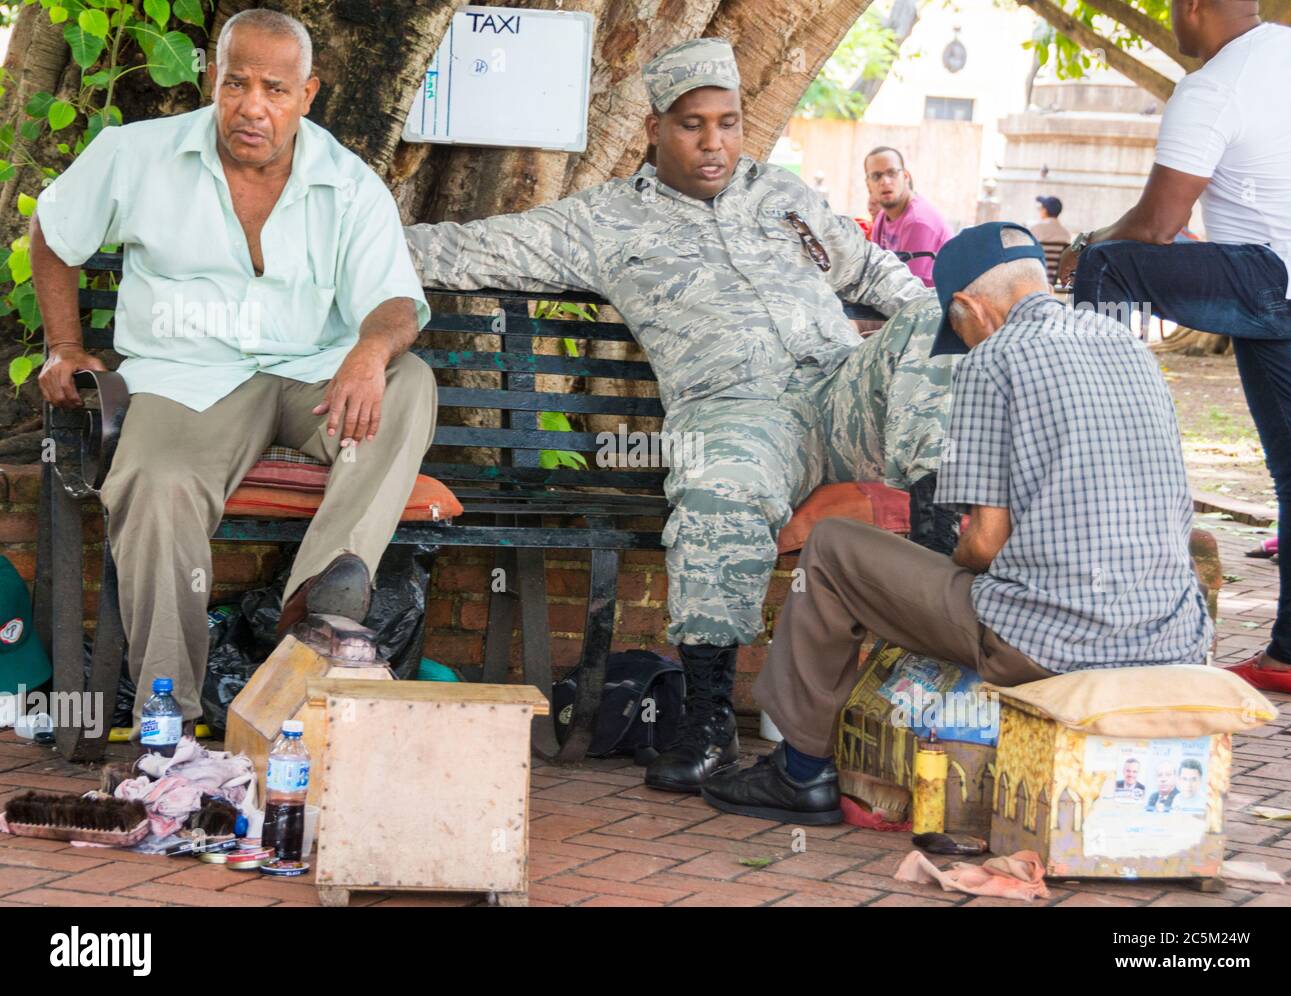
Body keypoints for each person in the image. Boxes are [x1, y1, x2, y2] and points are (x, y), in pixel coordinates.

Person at [405, 38, 960, 794]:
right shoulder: (607, 221)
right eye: (693, 124)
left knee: (939, 316)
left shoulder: (784, 195)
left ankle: (943, 551)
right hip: (739, 415)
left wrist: (934, 328)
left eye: (729, 123)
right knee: (716, 488)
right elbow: (470, 250)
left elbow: (871, 272)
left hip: (842, 390)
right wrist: (332, 240)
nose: (714, 143)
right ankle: (705, 723)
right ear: (655, 129)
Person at [700, 224, 1213, 825]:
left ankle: (802, 771)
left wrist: (964, 558)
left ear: (969, 307)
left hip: (1050, 642)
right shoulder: (1126, 346)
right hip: (1171, 633)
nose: (962, 344)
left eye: (958, 329)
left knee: (835, 548)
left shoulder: (994, 358)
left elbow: (986, 543)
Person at [31, 10, 437, 737]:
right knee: (152, 484)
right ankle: (167, 718)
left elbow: (397, 303)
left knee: (410, 382)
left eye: (275, 89)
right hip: (186, 380)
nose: (253, 106)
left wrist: (369, 353)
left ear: (307, 95)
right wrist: (64, 345)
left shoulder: (348, 183)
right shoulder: (138, 154)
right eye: (236, 83)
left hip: (313, 380)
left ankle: (322, 603)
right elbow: (53, 231)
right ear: (210, 80)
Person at [1058, 1, 1291, 695]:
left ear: (1192, 8)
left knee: (1110, 262)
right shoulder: (1289, 50)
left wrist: (1090, 245)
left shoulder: (1213, 82)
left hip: (1269, 281)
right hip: (1286, 286)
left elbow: (1158, 226)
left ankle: (1092, 459)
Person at [864, 146, 953, 286]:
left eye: (891, 173)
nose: (885, 181)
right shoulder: (882, 217)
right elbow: (874, 270)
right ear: (868, 185)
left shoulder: (918, 222)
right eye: (876, 176)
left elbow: (910, 291)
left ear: (905, 177)